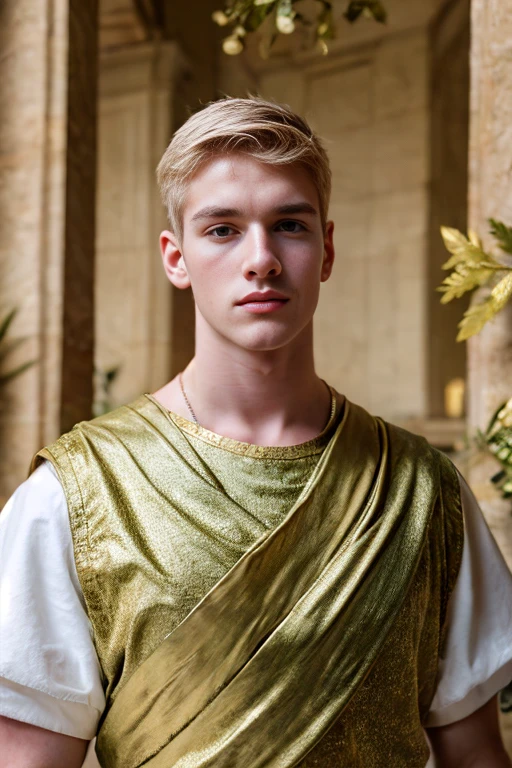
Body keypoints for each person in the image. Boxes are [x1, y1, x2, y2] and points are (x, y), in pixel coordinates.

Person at [1, 97, 512, 768]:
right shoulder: (72, 495)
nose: (262, 259)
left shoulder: (424, 493)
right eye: (222, 229)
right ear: (175, 257)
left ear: (326, 249)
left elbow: (476, 757)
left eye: (289, 225)